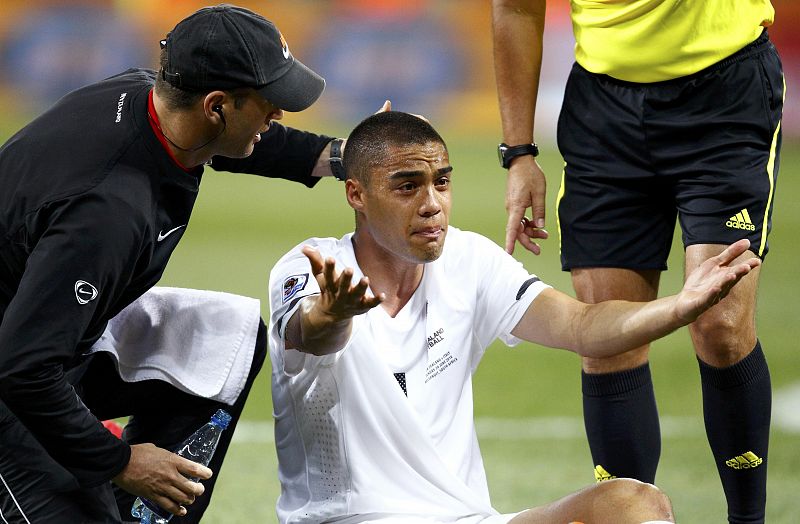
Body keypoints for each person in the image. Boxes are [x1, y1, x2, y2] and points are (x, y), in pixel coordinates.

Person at [266, 111, 762, 524]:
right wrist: (333, 315)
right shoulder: (312, 267)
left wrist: (679, 306)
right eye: (407, 187)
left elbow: (581, 326)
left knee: (634, 505)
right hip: (349, 519)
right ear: (356, 194)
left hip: (467, 519)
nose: (432, 205)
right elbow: (310, 333)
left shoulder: (467, 259)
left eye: (442, 182)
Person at [0, 4, 357, 523]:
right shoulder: (108, 211)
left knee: (226, 339)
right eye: (269, 101)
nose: (278, 113)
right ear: (216, 106)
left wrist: (343, 156)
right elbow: (20, 368)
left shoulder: (153, 102)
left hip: (44, 331)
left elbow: (243, 141)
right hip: (17, 371)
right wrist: (119, 461)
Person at [491, 2, 783, 522]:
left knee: (720, 325)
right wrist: (519, 153)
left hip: (724, 95)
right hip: (604, 110)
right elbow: (515, 7)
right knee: (608, 336)